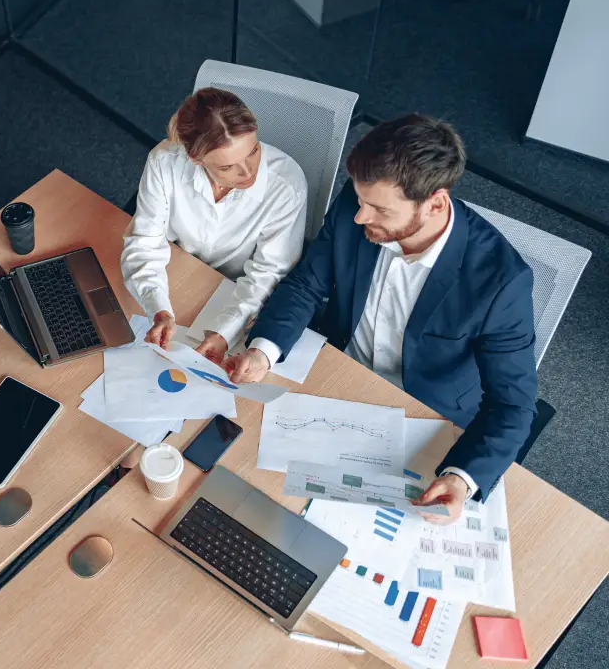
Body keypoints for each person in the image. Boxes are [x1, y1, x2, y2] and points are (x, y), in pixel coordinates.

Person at [225, 115, 537, 523]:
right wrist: (263, 351)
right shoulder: (359, 203)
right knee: (255, 492)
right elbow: (306, 284)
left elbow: (512, 405)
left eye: (378, 209)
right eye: (359, 200)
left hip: (425, 414)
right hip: (337, 375)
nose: (359, 217)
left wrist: (461, 478)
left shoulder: (501, 282)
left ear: (436, 203)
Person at [122, 87, 308, 363]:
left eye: (253, 151)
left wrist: (223, 332)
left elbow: (268, 273)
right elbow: (145, 242)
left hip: (238, 289)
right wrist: (158, 309)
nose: (248, 172)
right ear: (195, 159)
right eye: (227, 167)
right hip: (181, 273)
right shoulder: (165, 162)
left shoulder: (286, 185)